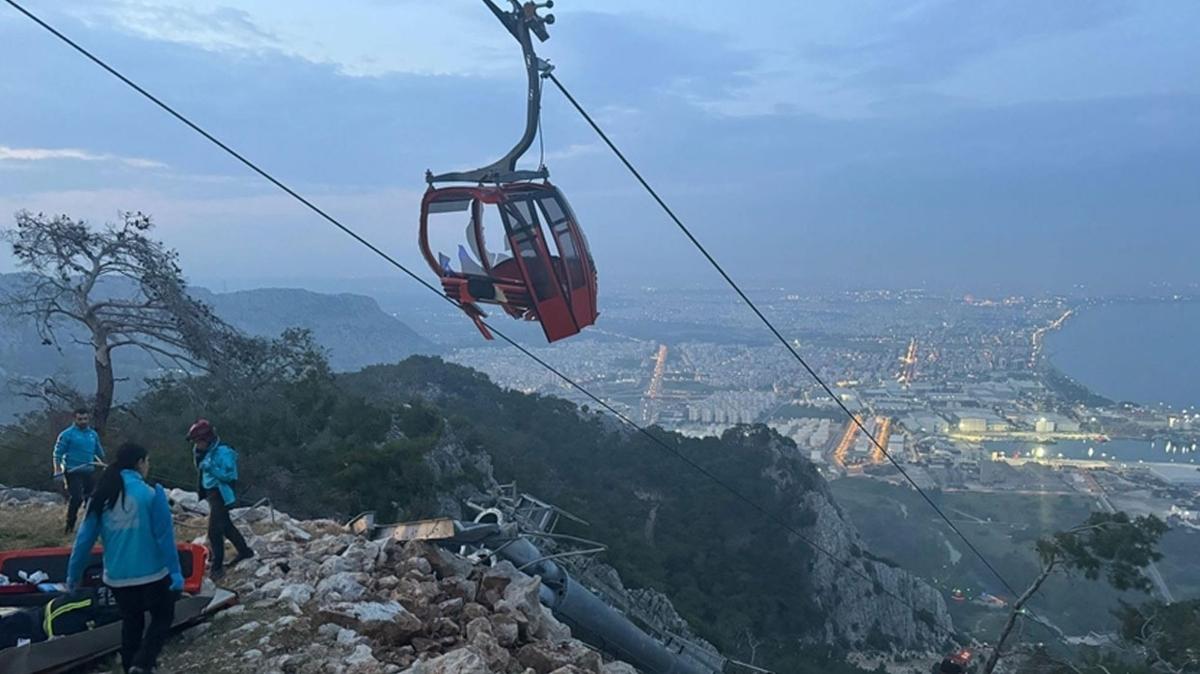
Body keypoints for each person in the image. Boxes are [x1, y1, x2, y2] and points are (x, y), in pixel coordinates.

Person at [66, 442, 183, 674]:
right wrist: (176, 573)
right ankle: (144, 662)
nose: (148, 466)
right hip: (153, 574)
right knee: (163, 616)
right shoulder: (151, 494)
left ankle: (131, 666)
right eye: (147, 462)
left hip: (117, 577)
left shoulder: (101, 496)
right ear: (140, 463)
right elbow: (164, 538)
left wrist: (73, 575)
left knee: (131, 623)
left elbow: (83, 541)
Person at [186, 419, 254, 579]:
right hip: (210, 492)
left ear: (207, 439)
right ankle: (245, 551)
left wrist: (212, 468)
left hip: (221, 493)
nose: (196, 444)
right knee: (226, 526)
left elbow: (230, 475)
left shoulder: (224, 453)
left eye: (198, 441)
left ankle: (217, 567)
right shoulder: (201, 452)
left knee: (214, 531)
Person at [53, 407, 106, 533]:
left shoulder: (93, 434)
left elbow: (99, 452)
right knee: (76, 498)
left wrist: (103, 463)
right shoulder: (67, 434)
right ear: (75, 419)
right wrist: (57, 470)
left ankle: (92, 526)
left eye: (85, 419)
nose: (83, 421)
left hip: (89, 470)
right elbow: (57, 454)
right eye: (80, 419)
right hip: (73, 471)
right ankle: (69, 525)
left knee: (92, 499)